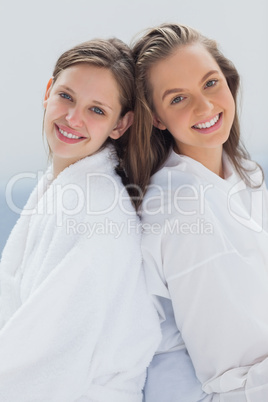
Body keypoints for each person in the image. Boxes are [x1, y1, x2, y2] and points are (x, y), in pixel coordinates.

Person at [0, 38, 161, 402]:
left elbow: (48, 357)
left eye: (97, 110)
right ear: (47, 91)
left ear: (121, 125)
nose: (73, 118)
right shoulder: (64, 189)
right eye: (67, 97)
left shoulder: (94, 208)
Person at [129, 23, 268, 401]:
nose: (205, 106)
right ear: (156, 117)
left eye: (210, 83)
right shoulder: (184, 212)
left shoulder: (242, 171)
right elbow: (233, 379)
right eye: (177, 99)